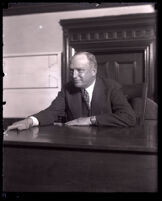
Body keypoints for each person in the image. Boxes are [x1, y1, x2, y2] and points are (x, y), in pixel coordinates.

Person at [6, 51, 136, 131]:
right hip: (76, 144)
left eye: (80, 70)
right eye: (72, 70)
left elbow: (129, 117)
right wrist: (30, 121)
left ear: (94, 71)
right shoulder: (68, 88)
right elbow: (52, 112)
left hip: (107, 145)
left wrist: (91, 120)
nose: (74, 76)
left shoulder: (111, 87)